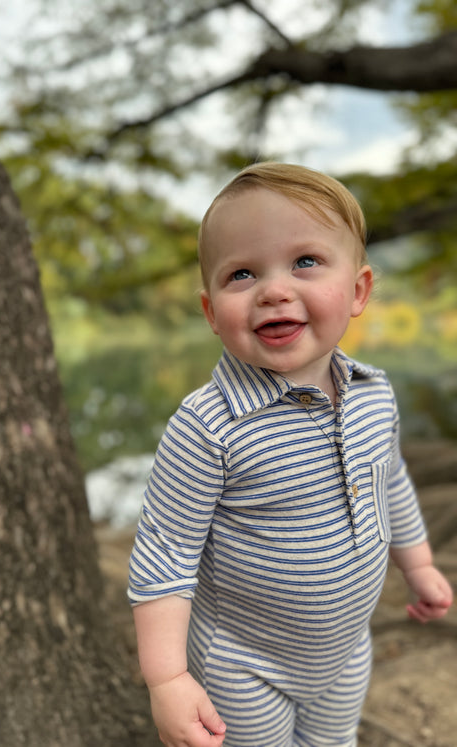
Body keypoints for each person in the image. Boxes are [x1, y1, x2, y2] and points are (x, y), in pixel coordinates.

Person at [127, 162, 453, 747]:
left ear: (357, 291)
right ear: (210, 313)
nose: (274, 290)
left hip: (345, 649)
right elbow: (165, 553)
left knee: (333, 741)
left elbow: (392, 482)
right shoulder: (208, 427)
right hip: (243, 661)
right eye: (242, 273)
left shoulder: (374, 393)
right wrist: (167, 678)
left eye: (305, 262)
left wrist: (419, 563)